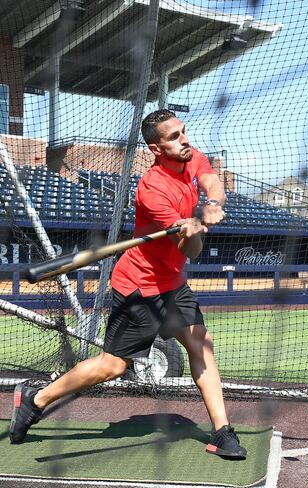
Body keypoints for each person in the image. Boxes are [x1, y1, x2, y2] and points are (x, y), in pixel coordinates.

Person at [9, 109, 247, 459]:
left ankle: (222, 432)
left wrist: (209, 204)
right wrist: (196, 229)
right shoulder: (153, 190)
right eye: (174, 137)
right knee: (113, 367)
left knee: (201, 344)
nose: (185, 140)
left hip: (172, 283)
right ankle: (37, 399)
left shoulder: (189, 155)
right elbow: (191, 250)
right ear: (155, 148)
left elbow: (212, 182)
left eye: (183, 132)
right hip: (139, 286)